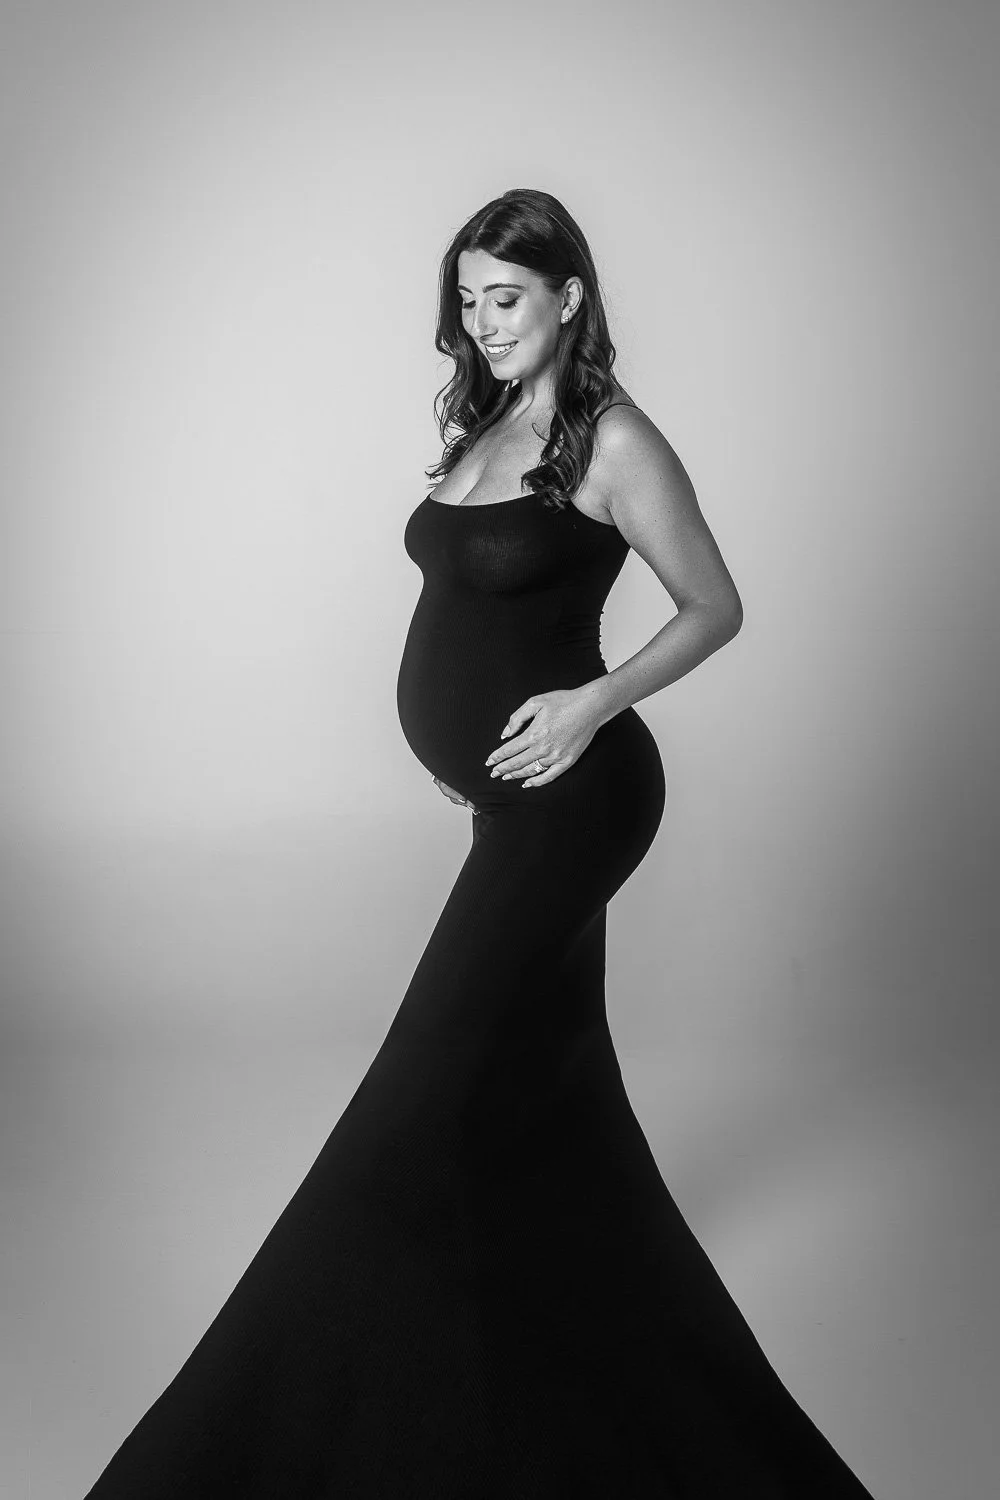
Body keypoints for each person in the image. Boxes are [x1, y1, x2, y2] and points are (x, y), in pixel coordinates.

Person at [83, 187, 875, 1496]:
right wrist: (459, 746)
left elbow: (714, 604)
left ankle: (249, 1435)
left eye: (504, 297)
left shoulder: (613, 440)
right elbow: (471, 602)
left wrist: (589, 700)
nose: (481, 322)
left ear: (569, 295)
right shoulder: (487, 419)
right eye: (466, 299)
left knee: (416, 1100)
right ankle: (576, 1384)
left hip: (580, 803)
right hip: (509, 806)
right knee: (547, 1102)